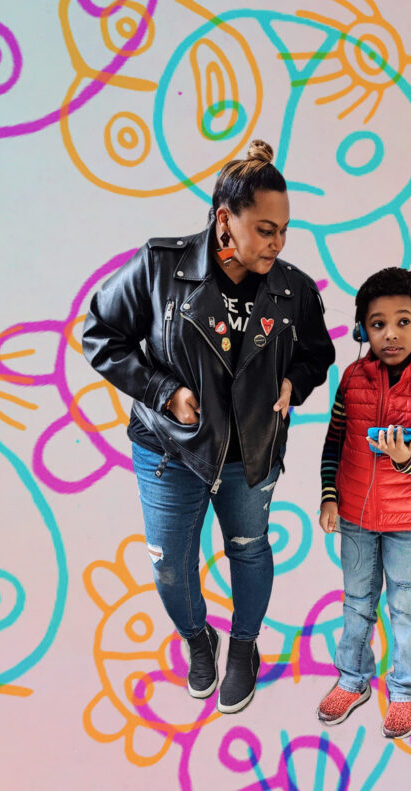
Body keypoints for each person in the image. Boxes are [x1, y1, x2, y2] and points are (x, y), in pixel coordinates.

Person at [82, 140, 334, 714]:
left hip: (253, 455)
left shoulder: (294, 289)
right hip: (171, 451)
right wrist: (163, 392)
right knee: (171, 566)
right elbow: (100, 333)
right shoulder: (159, 266)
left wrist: (296, 381)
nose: (277, 243)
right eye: (265, 229)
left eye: (284, 231)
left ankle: (244, 645)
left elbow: (317, 354)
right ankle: (200, 639)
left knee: (249, 549)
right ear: (225, 219)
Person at [316, 267, 411, 738]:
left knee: (405, 607)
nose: (390, 334)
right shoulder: (351, 379)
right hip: (353, 515)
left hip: (408, 521)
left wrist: (406, 459)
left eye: (403, 322)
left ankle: (407, 690)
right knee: (356, 602)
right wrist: (329, 496)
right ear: (361, 329)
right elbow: (334, 442)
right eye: (377, 324)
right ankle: (353, 680)